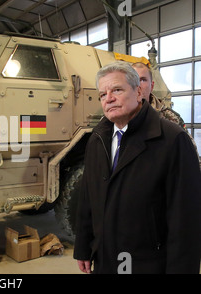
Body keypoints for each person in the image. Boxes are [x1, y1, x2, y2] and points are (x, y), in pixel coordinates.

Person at [73, 61, 201, 274]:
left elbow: (186, 220)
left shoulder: (172, 140)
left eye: (117, 90)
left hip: (148, 263)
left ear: (139, 91)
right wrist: (83, 247)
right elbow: (88, 197)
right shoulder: (98, 138)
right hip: (105, 259)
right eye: (102, 95)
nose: (109, 99)